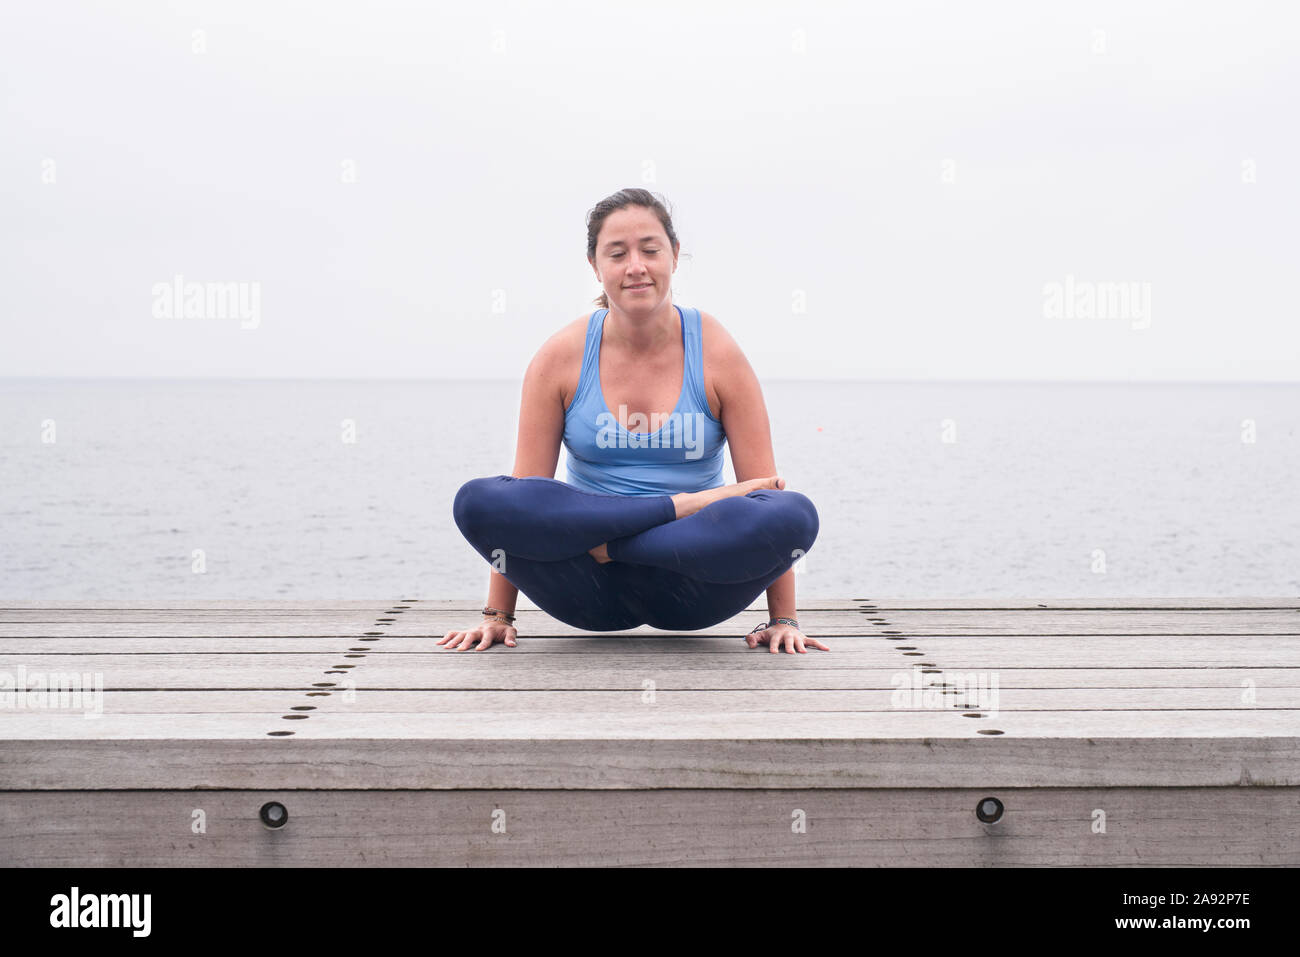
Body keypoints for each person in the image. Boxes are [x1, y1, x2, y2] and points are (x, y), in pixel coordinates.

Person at [442, 188, 824, 655]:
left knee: (795, 512)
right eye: (617, 254)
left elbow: (765, 494)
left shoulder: (718, 354)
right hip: (584, 587)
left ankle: (623, 542)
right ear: (595, 265)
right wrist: (497, 616)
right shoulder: (561, 357)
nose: (635, 266)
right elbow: (523, 499)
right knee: (479, 500)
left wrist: (783, 619)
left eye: (650, 249)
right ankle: (680, 507)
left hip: (696, 586)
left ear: (675, 256)